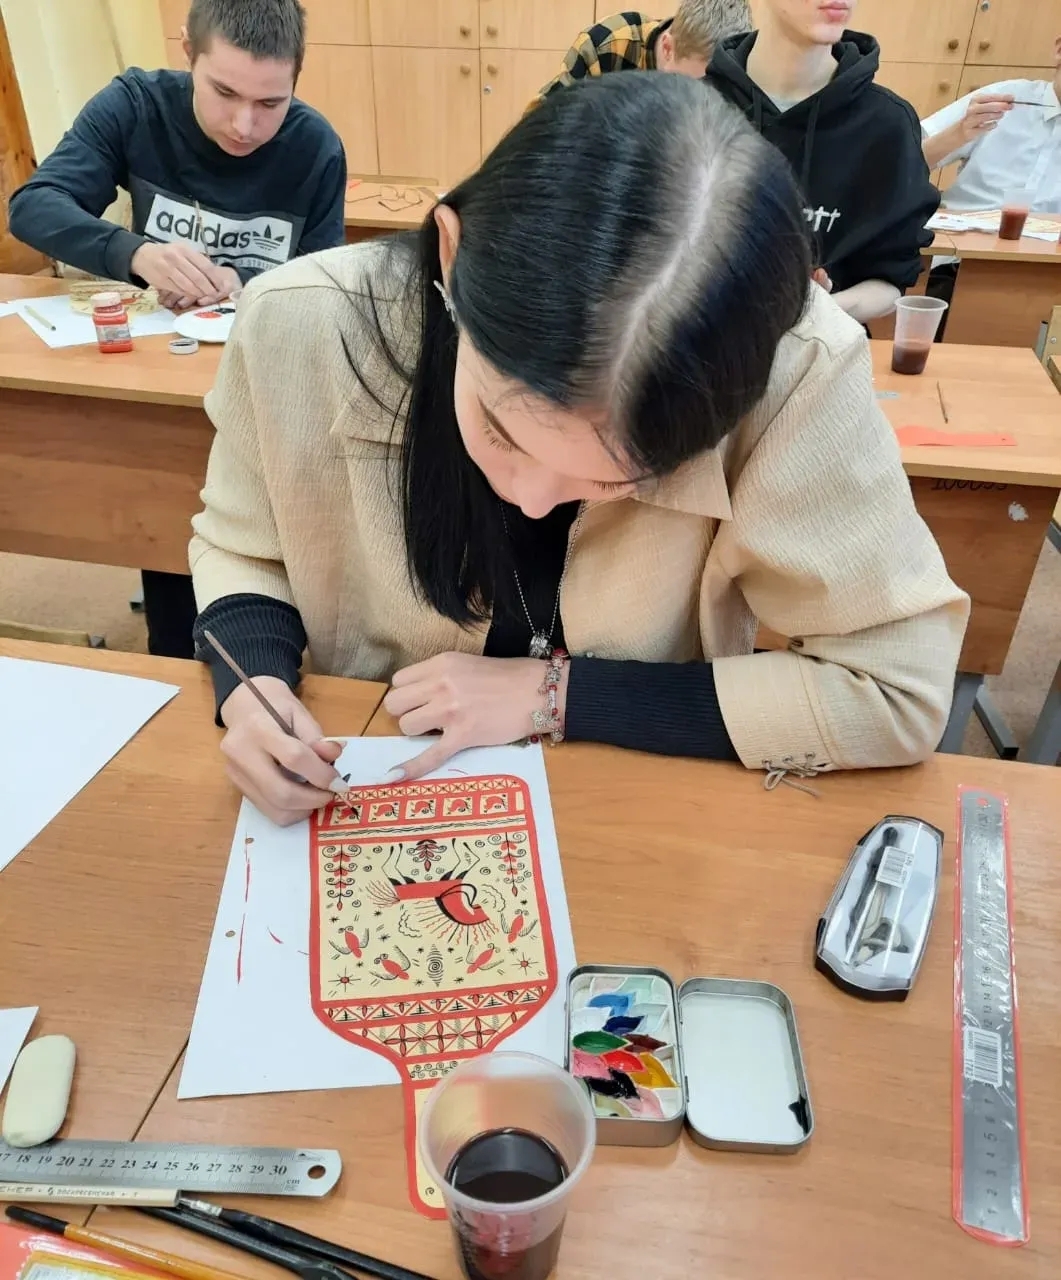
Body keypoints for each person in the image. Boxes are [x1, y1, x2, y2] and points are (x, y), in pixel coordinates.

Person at [188, 74, 968, 828]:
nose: (530, 500)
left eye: (617, 479)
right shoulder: (300, 321)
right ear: (452, 255)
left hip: (636, 798)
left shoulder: (795, 370)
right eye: (501, 430)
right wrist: (252, 685)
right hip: (369, 767)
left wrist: (560, 695)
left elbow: (894, 689)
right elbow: (243, 547)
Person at [9, 0, 346, 661]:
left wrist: (256, 288)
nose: (245, 125)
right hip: (161, 375)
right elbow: (34, 206)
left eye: (270, 103)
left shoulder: (314, 147)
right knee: (166, 510)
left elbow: (327, 285)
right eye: (224, 93)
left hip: (260, 381)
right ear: (188, 51)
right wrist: (133, 252)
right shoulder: (137, 105)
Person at [706, 0, 939, 323]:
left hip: (823, 345)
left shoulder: (887, 123)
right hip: (700, 346)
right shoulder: (691, 110)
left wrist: (815, 312)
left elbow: (890, 277)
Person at [920, 39, 1061, 333]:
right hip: (959, 263)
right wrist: (959, 133)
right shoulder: (1005, 99)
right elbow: (902, 163)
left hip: (1048, 276)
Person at [534, 0, 752, 104]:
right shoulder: (609, 44)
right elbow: (539, 128)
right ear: (667, 48)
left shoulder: (739, 78)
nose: (697, 101)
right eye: (693, 85)